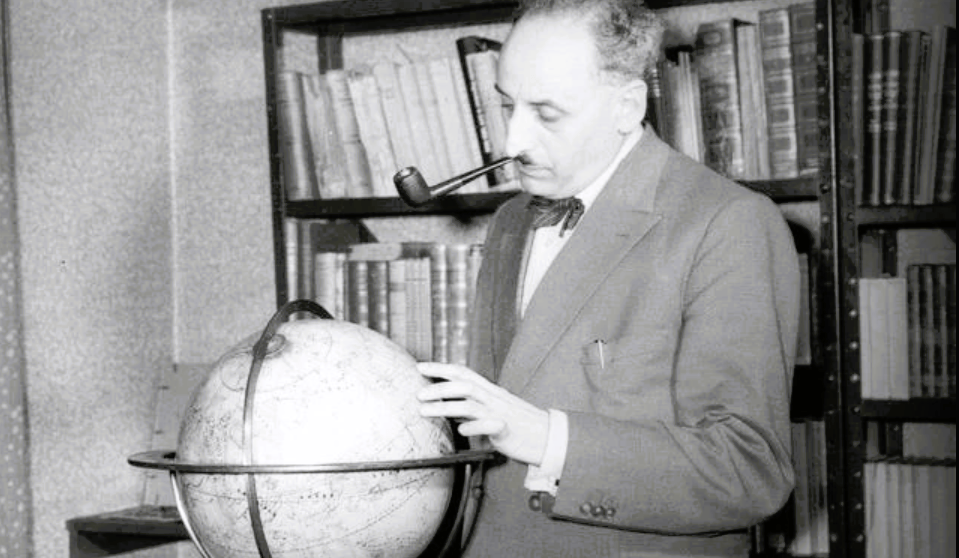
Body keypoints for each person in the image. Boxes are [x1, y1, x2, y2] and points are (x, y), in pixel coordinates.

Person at [417, 0, 801, 556]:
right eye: (506, 106)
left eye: (547, 114)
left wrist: (545, 438)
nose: (512, 144)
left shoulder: (728, 222)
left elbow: (749, 470)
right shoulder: (512, 220)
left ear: (626, 106)